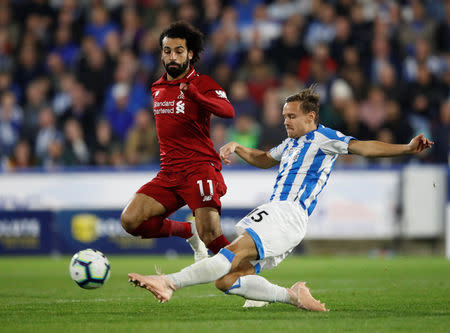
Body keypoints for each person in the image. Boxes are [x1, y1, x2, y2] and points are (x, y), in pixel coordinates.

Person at [127, 86, 433, 311]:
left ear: (311, 117)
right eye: (284, 116)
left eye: (291, 116)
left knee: (228, 255)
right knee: (227, 280)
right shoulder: (290, 143)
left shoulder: (326, 138)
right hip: (277, 214)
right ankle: (292, 295)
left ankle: (168, 282)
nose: (285, 121)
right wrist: (237, 147)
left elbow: (365, 147)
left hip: (288, 213)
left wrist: (406, 149)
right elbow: (264, 158)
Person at [120, 21, 235, 261]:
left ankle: (252, 280)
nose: (172, 56)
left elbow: (227, 110)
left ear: (190, 54)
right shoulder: (157, 87)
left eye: (179, 51)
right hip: (170, 174)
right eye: (167, 51)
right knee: (130, 220)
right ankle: (187, 231)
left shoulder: (202, 83)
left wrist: (196, 96)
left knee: (212, 236)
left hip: (199, 169)